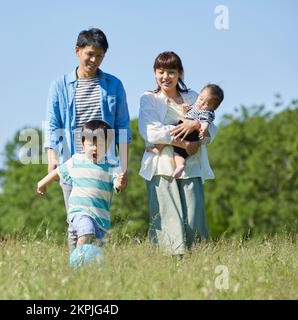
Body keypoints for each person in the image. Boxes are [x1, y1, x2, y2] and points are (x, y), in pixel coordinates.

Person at [43, 28, 131, 251]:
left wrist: (124, 167)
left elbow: (123, 128)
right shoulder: (60, 86)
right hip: (72, 163)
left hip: (103, 165)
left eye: (100, 56)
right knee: (76, 222)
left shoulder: (114, 85)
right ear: (77, 51)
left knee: (98, 221)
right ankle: (76, 268)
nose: (94, 60)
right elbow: (52, 125)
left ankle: (95, 269)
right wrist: (51, 158)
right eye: (90, 54)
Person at [138, 51, 218, 255]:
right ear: (155, 73)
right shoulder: (149, 99)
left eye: (171, 72)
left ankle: (198, 259)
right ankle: (170, 263)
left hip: (192, 165)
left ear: (180, 73)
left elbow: (212, 129)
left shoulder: (194, 96)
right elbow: (151, 131)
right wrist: (184, 144)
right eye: (161, 71)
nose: (166, 76)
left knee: (193, 216)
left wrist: (196, 123)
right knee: (168, 217)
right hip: (161, 166)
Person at [37, 120, 125, 248]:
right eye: (91, 144)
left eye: (100, 144)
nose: (95, 148)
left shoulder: (111, 165)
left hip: (101, 217)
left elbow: (117, 183)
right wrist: (42, 183)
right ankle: (79, 258)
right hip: (80, 211)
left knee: (100, 249)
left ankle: (83, 267)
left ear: (108, 145)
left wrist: (120, 183)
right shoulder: (76, 160)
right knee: (86, 231)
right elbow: (57, 172)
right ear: (83, 145)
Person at [149, 84, 224, 178]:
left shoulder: (207, 113)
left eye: (207, 104)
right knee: (178, 153)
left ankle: (157, 148)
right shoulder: (195, 106)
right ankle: (180, 165)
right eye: (201, 99)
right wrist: (186, 110)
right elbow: (187, 115)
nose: (201, 104)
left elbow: (205, 123)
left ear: (214, 108)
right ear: (199, 95)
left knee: (170, 134)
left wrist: (202, 129)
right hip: (184, 130)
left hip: (191, 133)